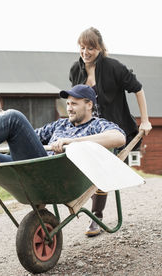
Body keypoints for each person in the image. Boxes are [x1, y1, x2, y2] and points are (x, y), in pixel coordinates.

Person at [0, 84, 126, 191]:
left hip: (52, 177)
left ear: (89, 105)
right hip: (33, 167)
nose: (69, 108)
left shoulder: (96, 125)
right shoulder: (60, 125)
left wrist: (72, 142)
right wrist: (1, 123)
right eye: (68, 104)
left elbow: (118, 138)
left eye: (74, 104)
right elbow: (27, 136)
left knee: (13, 117)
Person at [69, 27, 152, 237]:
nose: (85, 52)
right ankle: (79, 201)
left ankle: (95, 216)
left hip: (114, 130)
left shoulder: (114, 68)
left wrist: (145, 121)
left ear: (100, 48)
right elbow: (75, 100)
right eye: (82, 47)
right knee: (80, 163)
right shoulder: (75, 70)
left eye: (90, 48)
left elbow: (138, 88)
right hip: (88, 130)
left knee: (101, 167)